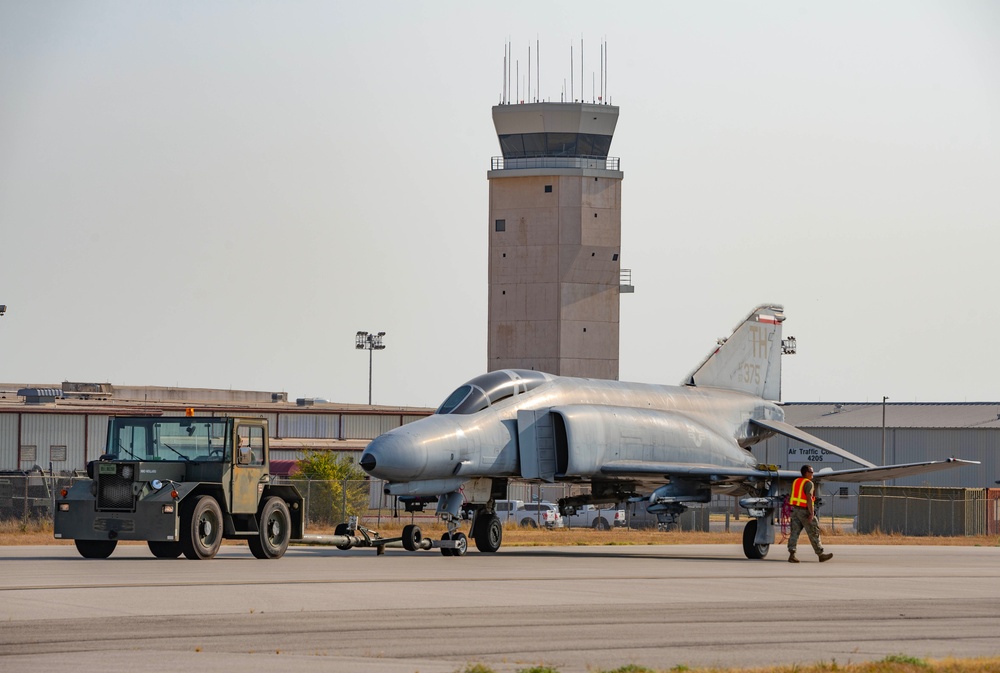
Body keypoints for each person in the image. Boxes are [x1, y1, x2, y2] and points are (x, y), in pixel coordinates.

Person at [787, 464, 833, 563]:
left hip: (795, 510)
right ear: (806, 473)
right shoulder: (809, 483)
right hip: (805, 511)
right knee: (814, 532)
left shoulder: (796, 481)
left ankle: (792, 554)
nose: (813, 474)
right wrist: (811, 513)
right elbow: (809, 499)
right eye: (811, 472)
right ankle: (820, 554)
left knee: (794, 533)